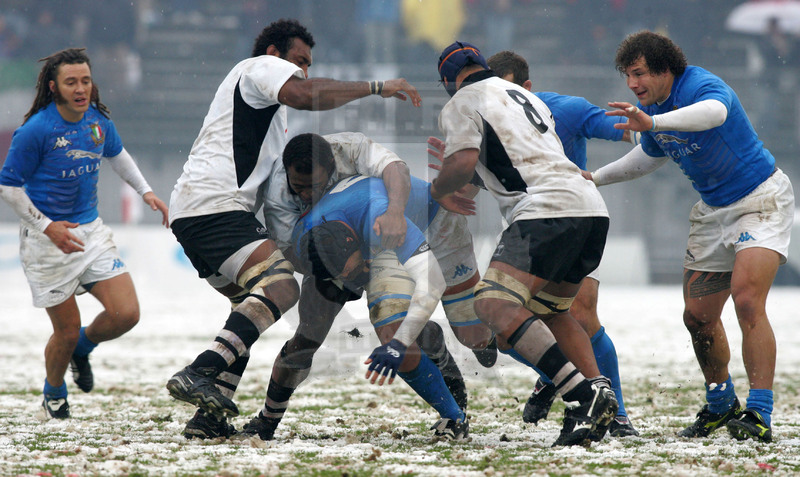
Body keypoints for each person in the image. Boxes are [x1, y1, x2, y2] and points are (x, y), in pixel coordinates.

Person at [165, 19, 422, 438]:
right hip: (216, 207)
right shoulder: (257, 69)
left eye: (308, 64)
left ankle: (208, 419)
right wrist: (377, 87)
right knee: (282, 288)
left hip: (195, 212)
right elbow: (305, 94)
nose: (304, 71)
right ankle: (200, 371)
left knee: (248, 312)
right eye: (299, 61)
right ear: (273, 54)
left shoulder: (267, 112)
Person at [586, 30, 794, 443]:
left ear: (665, 69)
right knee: (697, 317)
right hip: (712, 213)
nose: (632, 84)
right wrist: (593, 179)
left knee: (748, 300)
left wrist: (654, 122)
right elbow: (647, 155)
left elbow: (715, 113)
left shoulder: (698, 84)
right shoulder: (652, 110)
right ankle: (720, 405)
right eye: (628, 76)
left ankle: (759, 413)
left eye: (639, 73)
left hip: (760, 200)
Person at [234, 132, 488, 442]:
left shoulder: (369, 191)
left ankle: (446, 368)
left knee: (450, 338)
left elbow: (430, 280)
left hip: (401, 228)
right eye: (298, 188)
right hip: (326, 245)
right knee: (306, 339)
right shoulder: (289, 220)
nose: (304, 195)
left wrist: (397, 213)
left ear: (331, 168)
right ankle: (268, 419)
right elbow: (295, 258)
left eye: (312, 187)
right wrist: (339, 273)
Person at [430, 41, 618, 447]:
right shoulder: (525, 96)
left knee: (492, 305)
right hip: (588, 207)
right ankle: (599, 396)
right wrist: (472, 175)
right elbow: (513, 162)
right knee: (552, 313)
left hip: (544, 212)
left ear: (449, 81)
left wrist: (439, 187)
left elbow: (462, 161)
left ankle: (580, 397)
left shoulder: (461, 101)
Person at [0, 48, 169, 419]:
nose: (80, 89)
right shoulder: (36, 130)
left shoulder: (97, 122)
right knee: (65, 329)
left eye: (86, 81)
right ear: (53, 87)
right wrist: (48, 227)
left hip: (90, 231)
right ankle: (54, 394)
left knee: (126, 313)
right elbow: (8, 187)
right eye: (71, 82)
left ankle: (83, 347)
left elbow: (118, 155)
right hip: (47, 243)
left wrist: (147, 192)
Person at [485, 50, 639, 437]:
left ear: (527, 89)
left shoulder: (563, 110)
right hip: (531, 232)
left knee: (581, 314)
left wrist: (650, 125)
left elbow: (625, 129)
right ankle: (561, 377)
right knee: (501, 330)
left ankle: (615, 413)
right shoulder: (484, 118)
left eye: (508, 88)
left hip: (573, 221)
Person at [289, 173, 486, 439]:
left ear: (353, 242)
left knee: (477, 340)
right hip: (379, 245)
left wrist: (399, 345)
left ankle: (502, 338)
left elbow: (433, 285)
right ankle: (454, 417)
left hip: (434, 222)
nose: (358, 280)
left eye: (357, 269)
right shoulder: (304, 237)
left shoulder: (379, 219)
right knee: (392, 333)